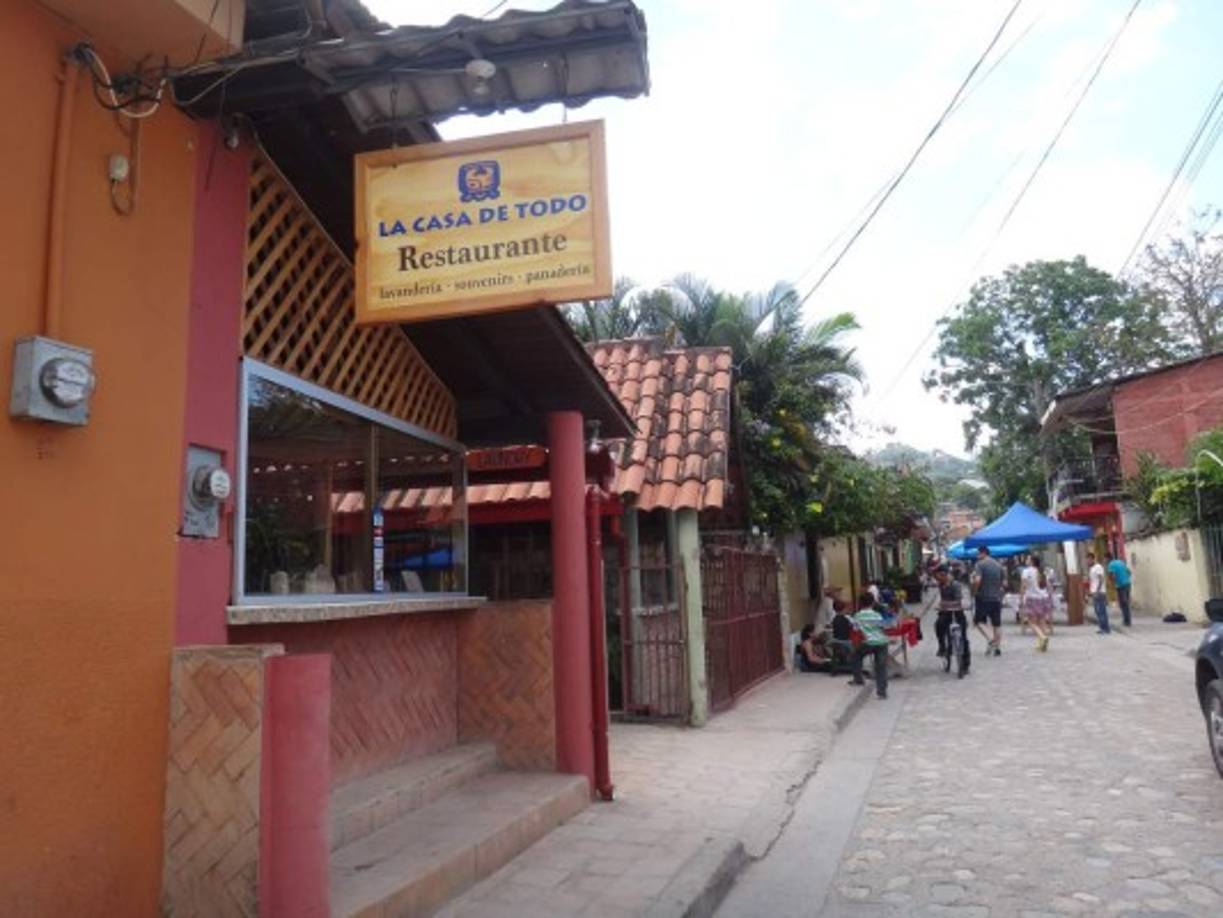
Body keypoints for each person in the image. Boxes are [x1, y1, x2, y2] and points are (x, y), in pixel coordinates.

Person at [850, 591, 890, 699]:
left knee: (855, 656)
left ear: (860, 603)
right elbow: (884, 628)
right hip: (881, 642)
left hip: (867, 643)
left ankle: (858, 678)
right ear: (872, 603)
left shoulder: (857, 616)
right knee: (881, 666)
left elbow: (855, 630)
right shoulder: (877, 615)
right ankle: (882, 692)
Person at [934, 565, 971, 673]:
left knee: (964, 637)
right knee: (938, 625)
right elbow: (942, 599)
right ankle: (942, 646)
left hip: (957, 612)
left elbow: (958, 600)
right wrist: (941, 606)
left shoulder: (955, 585)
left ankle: (965, 664)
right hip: (945, 613)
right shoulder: (941, 585)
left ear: (945, 574)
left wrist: (943, 604)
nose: (939, 579)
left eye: (940, 576)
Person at [971, 545, 1005, 656]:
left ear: (983, 553)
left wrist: (974, 591)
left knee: (978, 621)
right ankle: (997, 648)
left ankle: (990, 639)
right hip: (996, 598)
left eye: (978, 553)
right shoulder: (998, 565)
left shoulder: (980, 564)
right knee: (997, 623)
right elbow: (1004, 583)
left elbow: (977, 580)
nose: (977, 556)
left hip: (983, 598)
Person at [1019, 553, 1051, 652]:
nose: (1026, 560)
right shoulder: (1042, 571)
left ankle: (1042, 637)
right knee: (1042, 621)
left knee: (1031, 622)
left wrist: (1021, 597)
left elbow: (1024, 585)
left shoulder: (1026, 571)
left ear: (1032, 561)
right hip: (1043, 597)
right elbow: (1048, 585)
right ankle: (1042, 643)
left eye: (1028, 559)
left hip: (1032, 598)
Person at [1106, 551, 1133, 628]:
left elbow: (1112, 576)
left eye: (1105, 559)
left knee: (1123, 604)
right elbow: (1129, 572)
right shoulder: (1121, 562)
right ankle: (1127, 620)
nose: (1105, 561)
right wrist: (1125, 578)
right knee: (1126, 603)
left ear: (1107, 559)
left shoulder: (1110, 565)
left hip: (1120, 586)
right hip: (1127, 583)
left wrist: (1113, 583)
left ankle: (1127, 621)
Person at [1087, 551, 1111, 634]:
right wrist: (1090, 592)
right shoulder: (1091, 568)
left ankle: (1106, 628)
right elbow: (1093, 581)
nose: (1088, 562)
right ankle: (1102, 627)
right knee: (1097, 611)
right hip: (1094, 592)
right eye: (1087, 560)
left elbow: (1101, 579)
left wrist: (1097, 591)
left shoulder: (1098, 567)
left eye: (1089, 560)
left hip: (1099, 592)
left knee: (1101, 611)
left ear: (1093, 559)